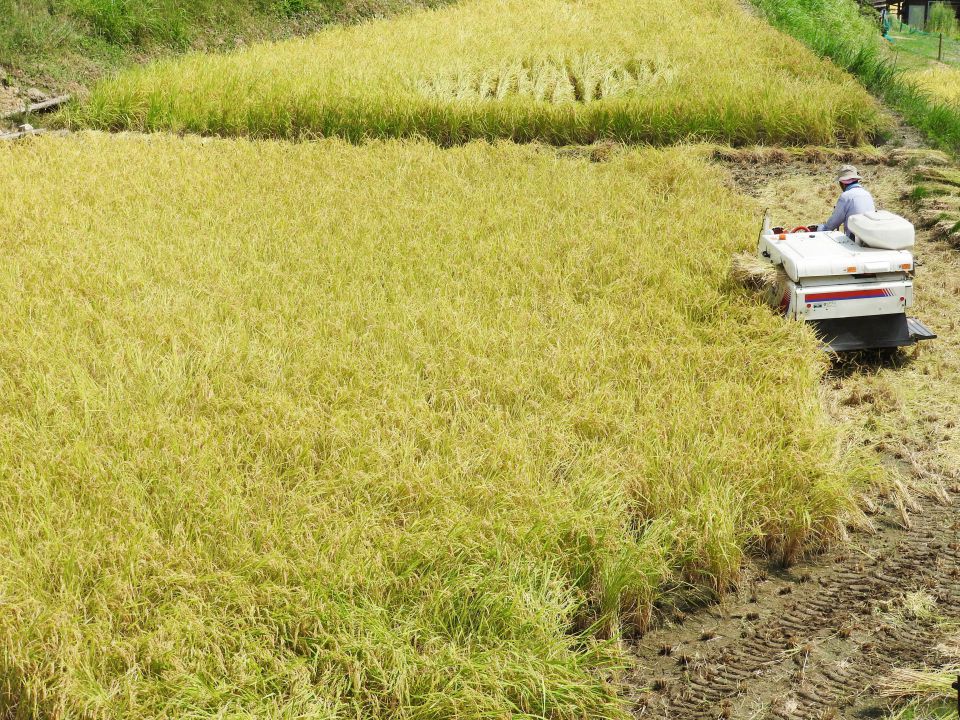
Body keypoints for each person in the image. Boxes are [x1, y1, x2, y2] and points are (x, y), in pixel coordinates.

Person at [813, 165, 875, 238]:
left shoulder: (846, 196)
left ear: (842, 183)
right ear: (857, 180)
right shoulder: (867, 194)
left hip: (855, 240)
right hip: (871, 237)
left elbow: (832, 225)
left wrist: (818, 229)